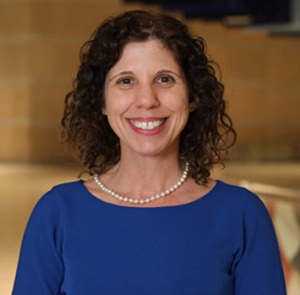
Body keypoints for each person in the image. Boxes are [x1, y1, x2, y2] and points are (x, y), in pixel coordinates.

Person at [12, 10, 286, 295]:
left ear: (192, 97)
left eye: (165, 79)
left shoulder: (241, 214)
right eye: (126, 81)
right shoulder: (57, 214)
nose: (147, 100)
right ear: (101, 101)